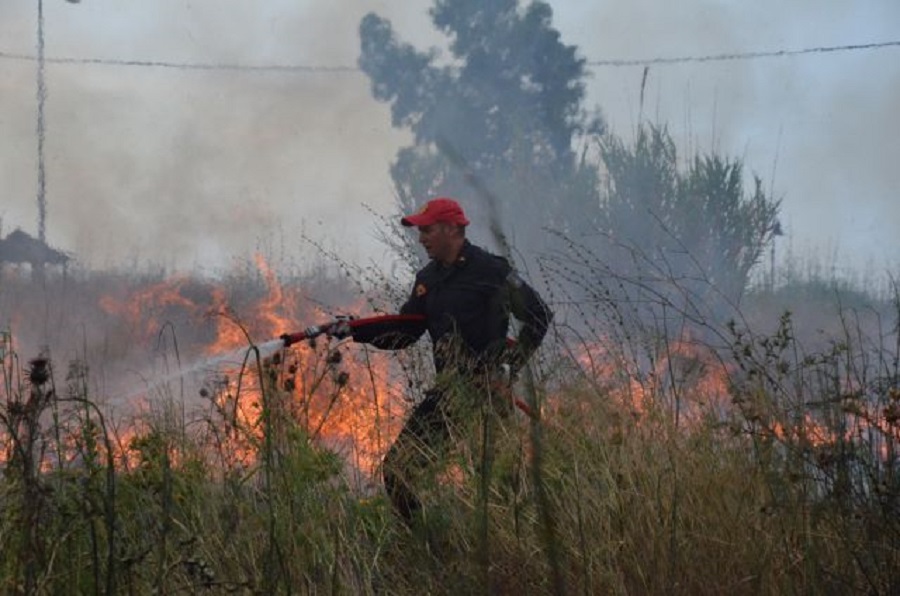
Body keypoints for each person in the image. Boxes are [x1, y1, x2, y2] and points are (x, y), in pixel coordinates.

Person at [345, 197, 553, 523]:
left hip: (488, 396)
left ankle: (504, 554)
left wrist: (509, 367)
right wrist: (353, 330)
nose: (421, 237)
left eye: (427, 229)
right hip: (447, 395)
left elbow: (538, 316)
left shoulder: (492, 270)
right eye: (420, 231)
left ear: (452, 229)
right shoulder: (428, 279)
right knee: (398, 471)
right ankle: (426, 544)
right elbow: (405, 332)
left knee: (497, 490)